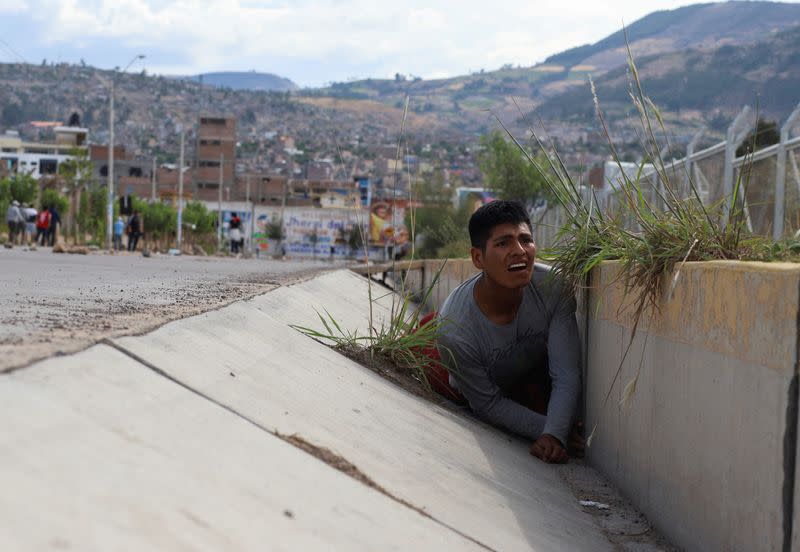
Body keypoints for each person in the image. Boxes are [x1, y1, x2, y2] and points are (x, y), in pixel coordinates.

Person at [436, 200, 584, 464]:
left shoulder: (554, 287)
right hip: (472, 391)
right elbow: (488, 404)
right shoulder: (455, 330)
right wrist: (551, 431)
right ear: (478, 258)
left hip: (531, 379)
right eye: (503, 243)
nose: (519, 251)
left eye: (525, 240)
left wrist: (555, 431)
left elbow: (566, 372)